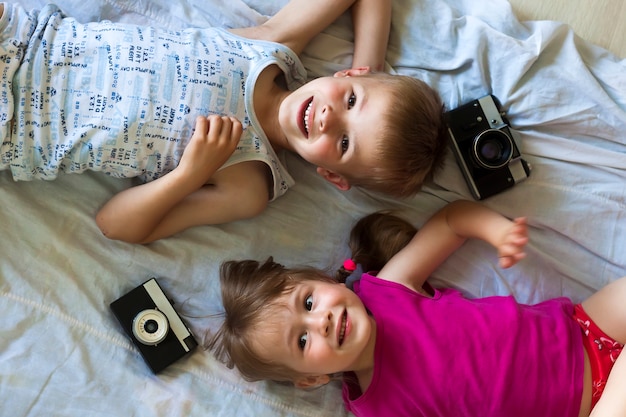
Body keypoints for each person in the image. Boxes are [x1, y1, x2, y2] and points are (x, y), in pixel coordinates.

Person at [0, 1, 448, 243]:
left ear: (331, 175)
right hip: (24, 40)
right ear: (348, 75)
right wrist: (367, 71)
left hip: (19, 129)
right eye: (350, 101)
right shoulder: (272, 45)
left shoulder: (248, 185)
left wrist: (189, 174)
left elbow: (116, 225)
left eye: (346, 143)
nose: (330, 118)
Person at [207, 199, 626, 417]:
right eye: (301, 340)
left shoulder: (387, 289)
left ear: (323, 281)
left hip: (584, 329)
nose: (321, 321)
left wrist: (494, 229)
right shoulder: (378, 409)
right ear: (312, 379)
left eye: (309, 302)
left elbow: (450, 221)